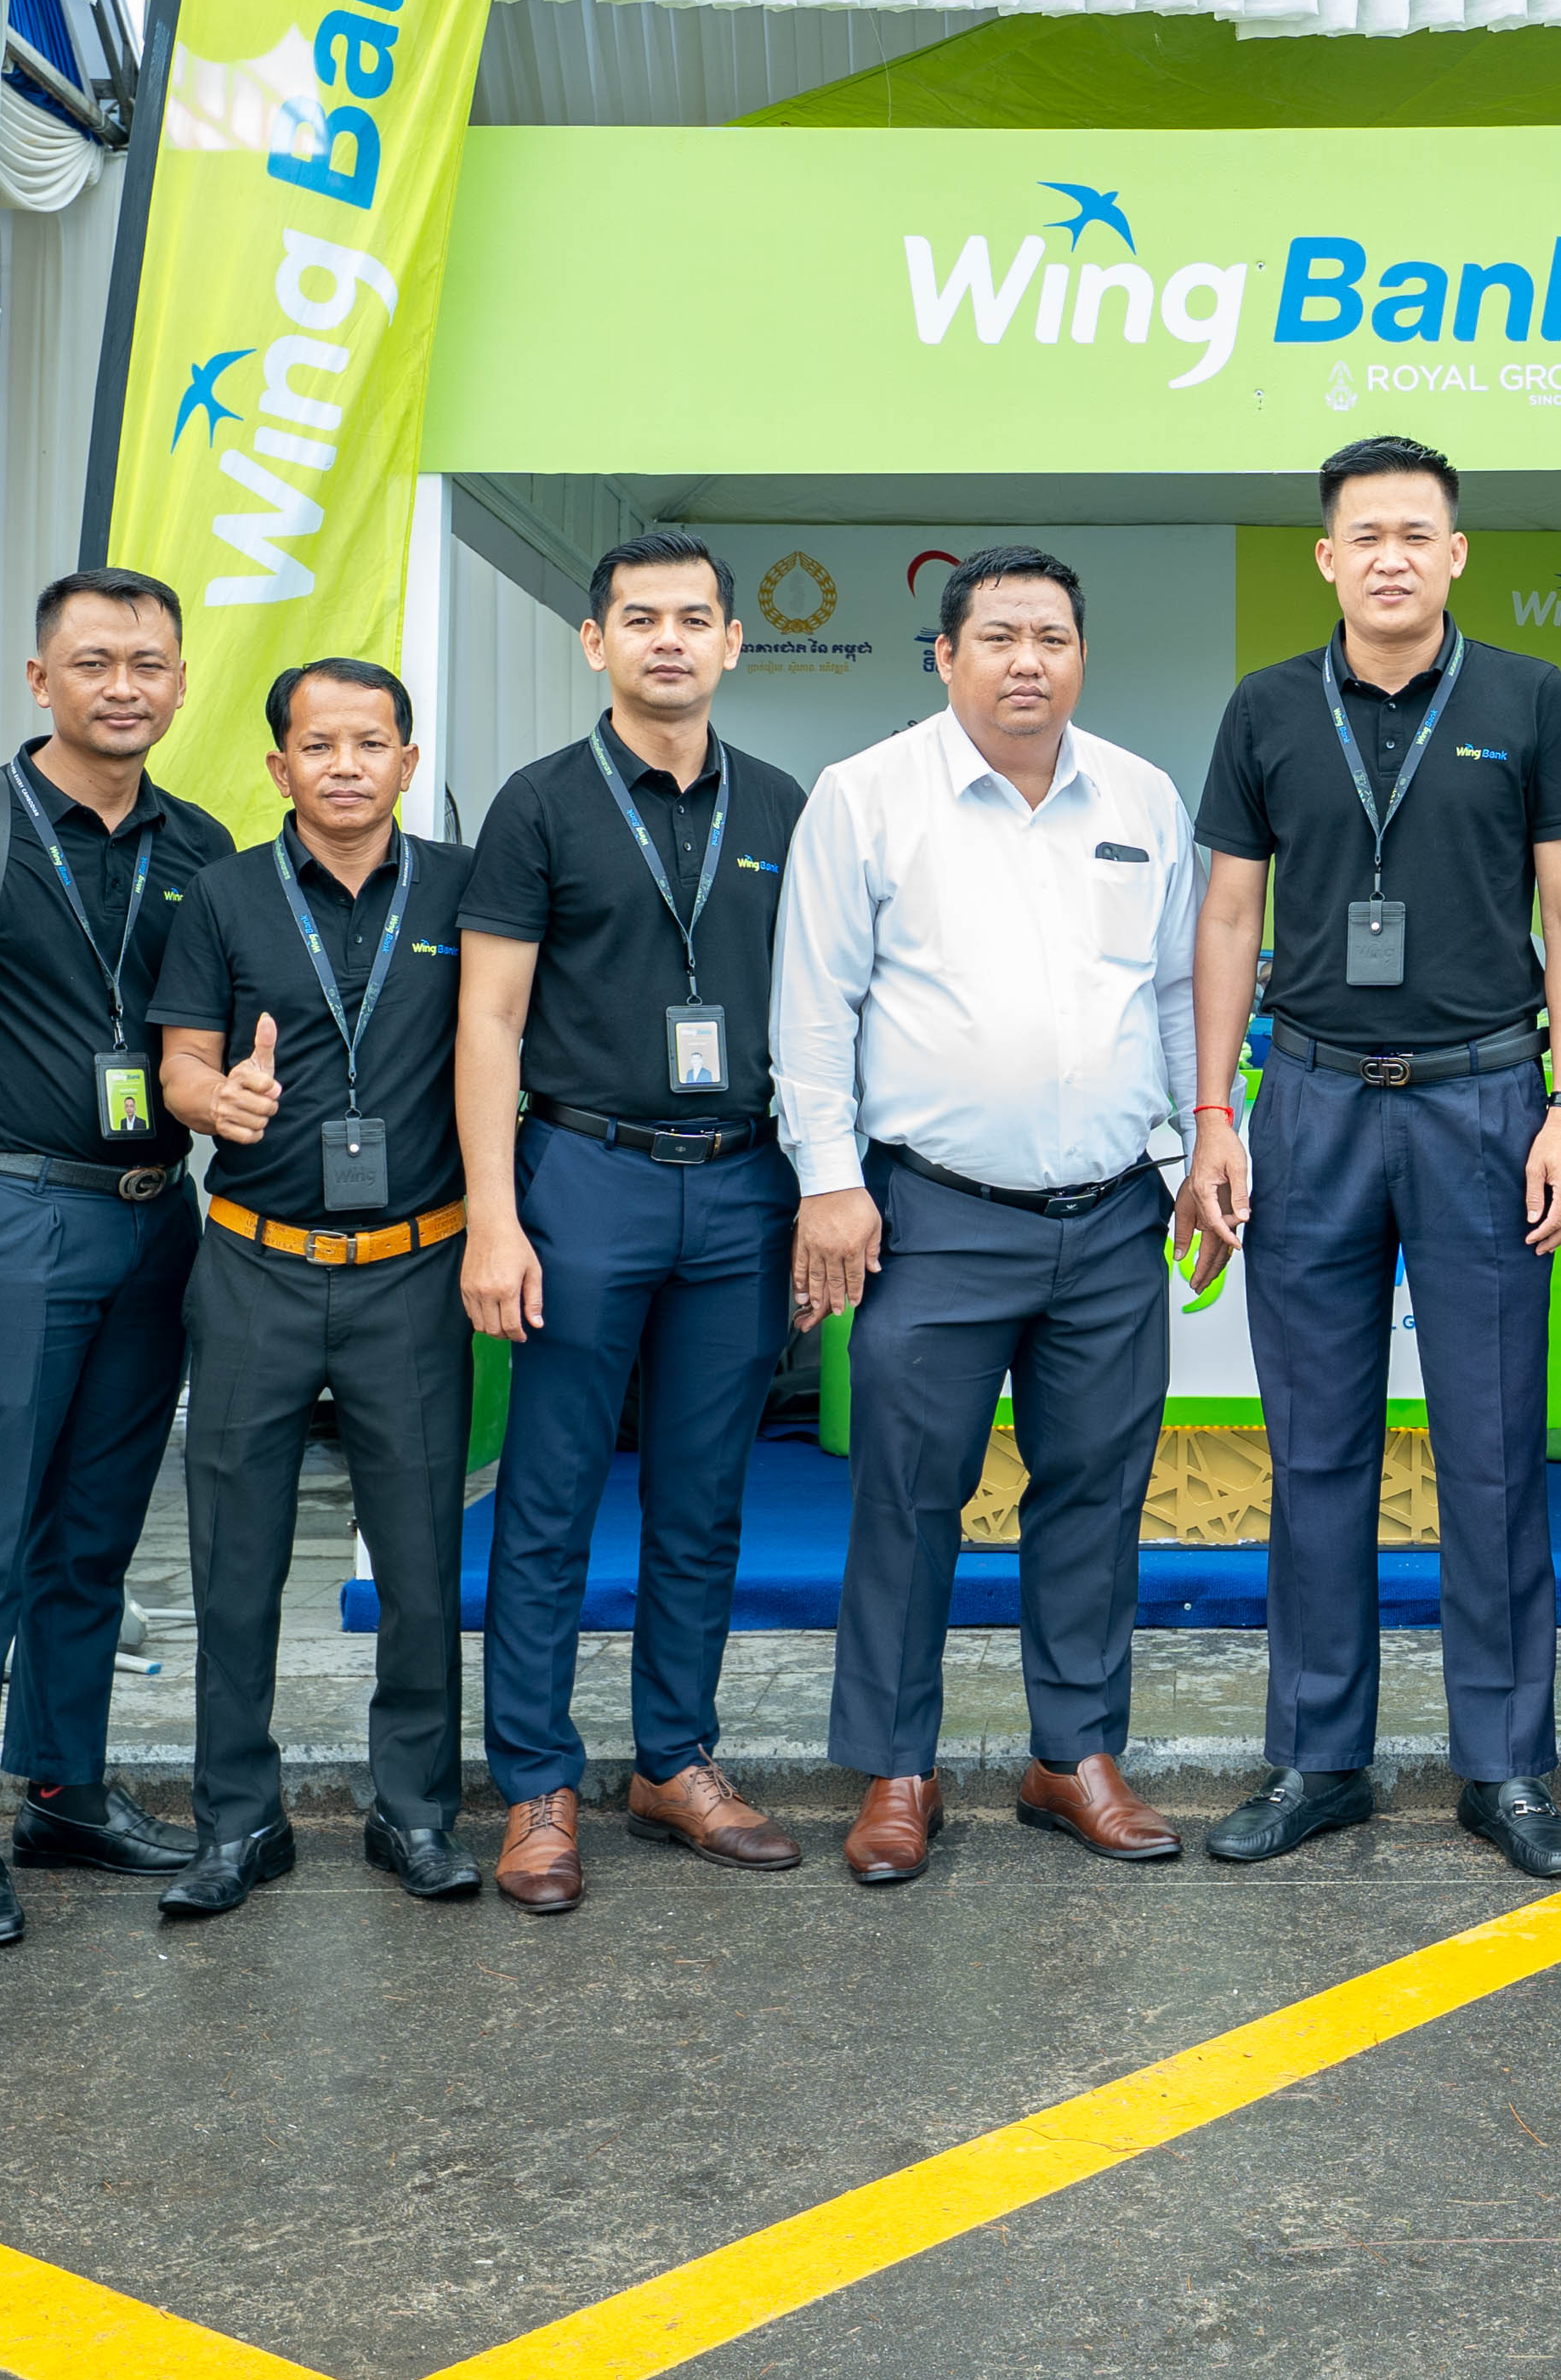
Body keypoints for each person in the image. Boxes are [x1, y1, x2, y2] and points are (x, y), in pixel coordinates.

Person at [1180, 435, 1561, 1881]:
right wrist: (1213, 1114)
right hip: (1307, 1100)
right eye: (1364, 535)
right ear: (1326, 557)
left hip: (1484, 1100)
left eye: (1415, 534)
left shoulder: (1525, 698)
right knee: (1314, 1449)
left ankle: (1506, 1767)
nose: (1389, 557)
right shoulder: (1264, 707)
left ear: (1454, 553)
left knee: (1491, 1453)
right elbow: (1227, 918)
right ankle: (1317, 1758)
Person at [777, 546, 1203, 1887]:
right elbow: (814, 1005)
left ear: (1081, 655)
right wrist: (828, 1181)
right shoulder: (865, 796)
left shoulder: (1140, 795)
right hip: (934, 1217)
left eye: (1053, 638)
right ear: (946, 655)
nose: (1029, 661)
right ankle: (895, 1768)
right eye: (1001, 637)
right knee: (909, 1498)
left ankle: (1072, 1753)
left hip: (1114, 1216)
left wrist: (1202, 1143)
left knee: (1096, 1491)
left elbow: (1177, 994)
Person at [0, 569, 232, 1946]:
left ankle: (65, 1786)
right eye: (93, 661)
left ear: (179, 681)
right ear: (39, 679)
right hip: (9, 1210)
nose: (123, 685)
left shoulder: (200, 844)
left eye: (148, 662)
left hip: (156, 1212)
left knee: (96, 1526)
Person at [456, 536, 810, 1913]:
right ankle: (536, 1781)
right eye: (640, 618)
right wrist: (495, 1216)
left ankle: (674, 1758)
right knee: (549, 1496)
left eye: (694, 618)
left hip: (740, 1183)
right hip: (582, 1173)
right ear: (594, 642)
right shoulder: (540, 804)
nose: (669, 638)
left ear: (732, 642)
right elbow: (488, 1020)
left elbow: (820, 1014)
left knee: (702, 1495)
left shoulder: (778, 804)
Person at [149, 660, 478, 1918]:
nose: (346, 765)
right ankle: (237, 1821)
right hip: (253, 1265)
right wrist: (214, 1098)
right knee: (235, 1558)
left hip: (416, 1267)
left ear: (407, 760)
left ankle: (416, 1812)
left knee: (420, 1558)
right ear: (278, 765)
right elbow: (180, 1061)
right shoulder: (225, 893)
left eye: (371, 742)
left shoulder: (462, 890)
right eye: (319, 744)